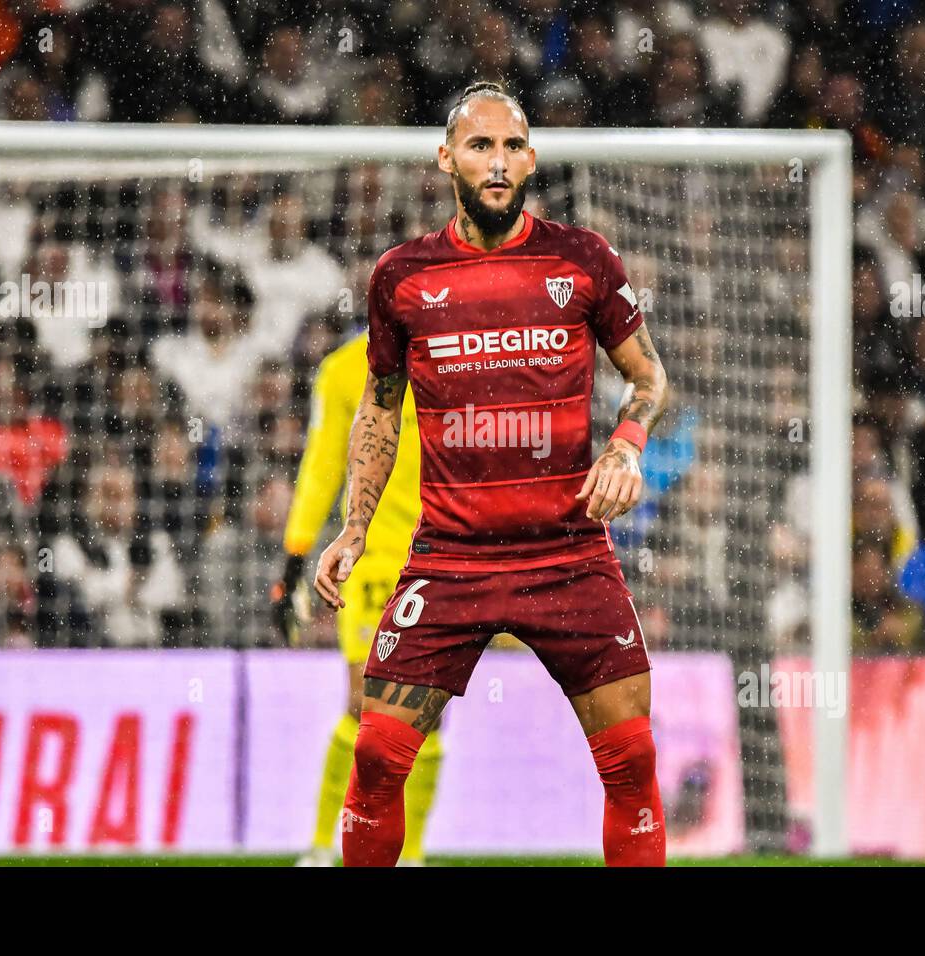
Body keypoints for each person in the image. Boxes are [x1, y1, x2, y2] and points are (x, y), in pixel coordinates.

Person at [312, 82, 670, 867]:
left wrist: (626, 446)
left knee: (634, 762)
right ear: (447, 158)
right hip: (450, 559)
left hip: (570, 556)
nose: (498, 161)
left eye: (512, 146)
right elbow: (378, 411)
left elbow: (648, 378)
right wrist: (355, 528)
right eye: (480, 145)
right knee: (376, 755)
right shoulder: (402, 277)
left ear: (532, 159)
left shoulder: (584, 259)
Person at [275, 330, 441, 867]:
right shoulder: (344, 370)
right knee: (365, 704)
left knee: (429, 713)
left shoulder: (455, 357)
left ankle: (410, 853)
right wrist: (294, 558)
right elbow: (323, 464)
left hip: (444, 556)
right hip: (372, 557)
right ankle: (326, 846)